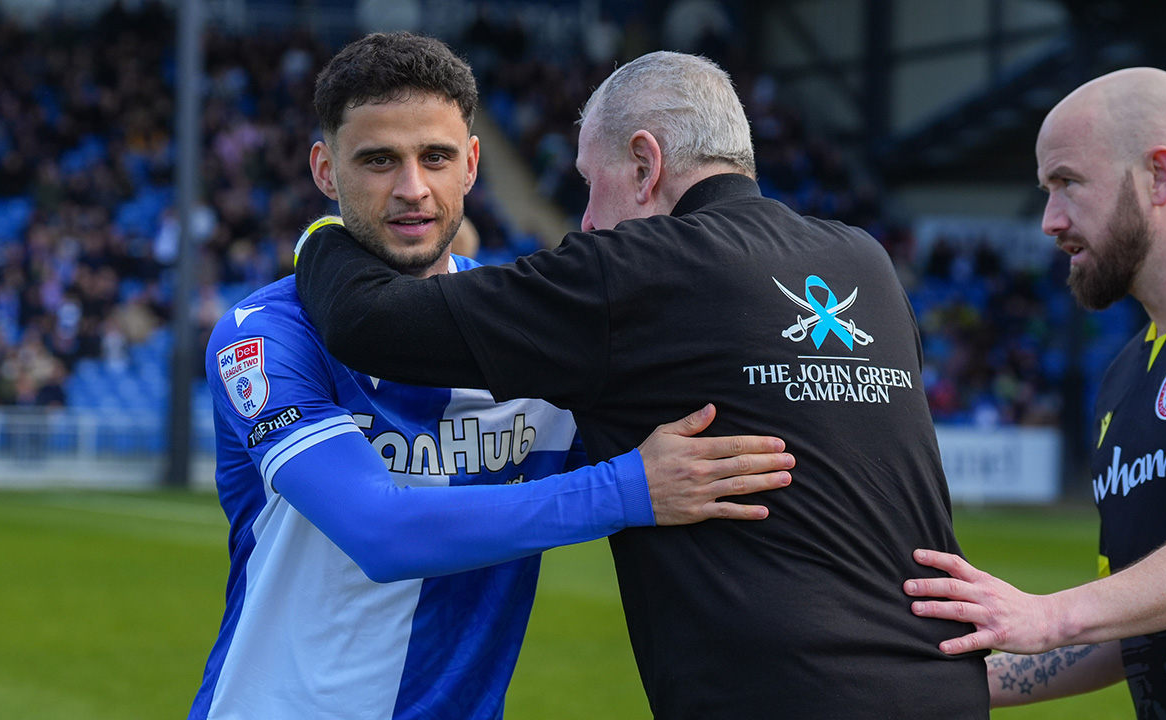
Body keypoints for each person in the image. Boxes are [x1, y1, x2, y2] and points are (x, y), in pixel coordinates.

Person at [295, 49, 988, 718]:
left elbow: (367, 321)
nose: (587, 221)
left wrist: (326, 227)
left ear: (644, 164)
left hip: (786, 698)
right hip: (947, 688)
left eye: (589, 184)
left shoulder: (636, 268)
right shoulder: (866, 262)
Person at [188, 33, 796, 720]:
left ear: (472, 164)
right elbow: (380, 532)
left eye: (436, 157)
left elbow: (737, 446)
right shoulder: (264, 335)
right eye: (379, 160)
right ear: (326, 171)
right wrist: (627, 488)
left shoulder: (540, 331)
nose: (412, 189)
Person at [903, 67, 1166, 717]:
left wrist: (1048, 614)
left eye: (1068, 183)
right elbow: (1130, 626)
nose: (1050, 221)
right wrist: (933, 685)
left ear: (1159, 175)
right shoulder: (1124, 378)